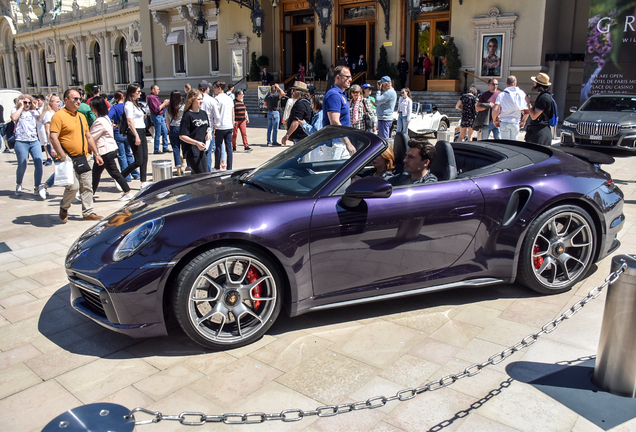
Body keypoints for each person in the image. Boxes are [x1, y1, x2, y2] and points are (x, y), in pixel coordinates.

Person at [49, 89, 103, 222]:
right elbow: (53, 137)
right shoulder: (59, 116)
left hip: (84, 157)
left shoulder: (81, 116)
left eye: (80, 99)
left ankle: (88, 212)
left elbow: (88, 136)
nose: (79, 101)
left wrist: (96, 153)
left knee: (87, 186)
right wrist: (62, 156)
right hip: (68, 158)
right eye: (75, 99)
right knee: (73, 187)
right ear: (66, 100)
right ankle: (64, 207)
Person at [89, 97, 134, 201]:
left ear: (96, 107)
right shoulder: (105, 118)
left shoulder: (100, 121)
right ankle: (90, 193)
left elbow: (91, 136)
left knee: (114, 173)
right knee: (96, 173)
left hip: (105, 150)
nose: (90, 107)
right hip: (108, 149)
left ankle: (127, 192)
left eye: (91, 105)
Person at [11, 95, 45, 198]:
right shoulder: (16, 110)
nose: (27, 105)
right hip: (21, 141)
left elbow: (43, 120)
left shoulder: (34, 112)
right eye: (25, 102)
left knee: (39, 162)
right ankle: (19, 184)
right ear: (20, 102)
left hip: (34, 141)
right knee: (23, 163)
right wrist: (21, 107)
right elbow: (13, 118)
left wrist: (37, 108)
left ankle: (37, 187)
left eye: (29, 103)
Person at [120, 84, 151, 188]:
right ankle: (121, 176)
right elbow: (129, 121)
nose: (140, 93)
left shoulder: (136, 104)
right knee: (139, 160)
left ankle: (143, 181)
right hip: (134, 132)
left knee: (145, 158)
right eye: (138, 91)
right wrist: (136, 135)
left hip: (141, 130)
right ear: (132, 92)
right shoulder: (128, 104)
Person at [109, 91, 139, 182]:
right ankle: (135, 174)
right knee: (129, 153)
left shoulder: (114, 108)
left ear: (116, 99)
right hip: (129, 131)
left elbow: (108, 117)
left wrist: (112, 124)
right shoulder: (128, 105)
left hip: (118, 132)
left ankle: (126, 176)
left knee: (122, 155)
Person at [179, 89, 211, 174]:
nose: (201, 101)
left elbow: (207, 127)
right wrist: (196, 143)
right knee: (201, 175)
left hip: (202, 149)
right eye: (199, 99)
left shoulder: (203, 113)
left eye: (201, 99)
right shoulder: (187, 115)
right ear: (192, 100)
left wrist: (208, 133)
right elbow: (182, 136)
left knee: (205, 174)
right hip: (192, 150)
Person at [524, 73, 555, 146]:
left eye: (535, 82)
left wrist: (528, 103)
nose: (533, 83)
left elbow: (534, 116)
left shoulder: (543, 98)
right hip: (542, 131)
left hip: (540, 134)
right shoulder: (545, 96)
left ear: (538, 84)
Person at [493, 75, 528, 141]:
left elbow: (495, 109)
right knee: (513, 144)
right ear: (515, 83)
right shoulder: (521, 94)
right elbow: (526, 111)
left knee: (505, 144)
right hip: (515, 121)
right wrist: (523, 121)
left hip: (504, 121)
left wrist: (495, 120)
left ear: (506, 83)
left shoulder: (501, 95)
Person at [40, 93, 62, 194]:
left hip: (59, 144)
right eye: (57, 102)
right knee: (61, 167)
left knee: (63, 167)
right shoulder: (48, 115)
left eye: (59, 101)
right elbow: (48, 132)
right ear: (51, 103)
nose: (59, 103)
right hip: (53, 145)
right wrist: (53, 148)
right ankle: (45, 186)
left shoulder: (55, 113)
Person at [212, 81, 235, 170]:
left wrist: (215, 125)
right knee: (229, 148)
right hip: (229, 125)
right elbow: (233, 112)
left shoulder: (217, 99)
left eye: (214, 87)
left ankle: (217, 166)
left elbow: (217, 114)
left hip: (220, 126)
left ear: (219, 88)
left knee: (218, 147)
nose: (213, 89)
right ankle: (229, 167)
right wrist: (232, 123)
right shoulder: (229, 98)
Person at [281, 81, 312, 145]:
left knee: (299, 155)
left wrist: (287, 135)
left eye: (293, 90)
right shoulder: (306, 103)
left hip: (300, 138)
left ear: (298, 92)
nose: (291, 92)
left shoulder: (300, 104)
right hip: (303, 137)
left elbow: (296, 121)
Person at [165, 90, 185, 175]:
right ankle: (190, 167)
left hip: (173, 128)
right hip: (182, 128)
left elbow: (167, 122)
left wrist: (170, 130)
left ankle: (178, 170)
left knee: (176, 149)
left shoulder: (169, 109)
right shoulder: (183, 107)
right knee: (185, 148)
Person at [198, 80, 217, 172]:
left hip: (197, 128)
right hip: (208, 129)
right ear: (207, 89)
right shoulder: (211, 100)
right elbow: (217, 116)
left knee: (198, 152)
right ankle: (207, 173)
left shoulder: (194, 99)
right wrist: (215, 126)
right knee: (208, 153)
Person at [147, 84, 170, 154]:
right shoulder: (151, 98)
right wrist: (164, 103)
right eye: (157, 89)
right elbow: (157, 109)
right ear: (153, 90)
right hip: (156, 116)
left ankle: (165, 147)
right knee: (158, 132)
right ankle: (156, 149)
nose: (158, 91)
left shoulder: (156, 97)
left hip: (161, 116)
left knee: (165, 131)